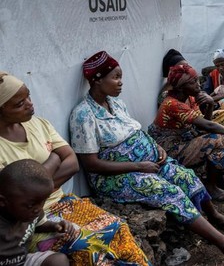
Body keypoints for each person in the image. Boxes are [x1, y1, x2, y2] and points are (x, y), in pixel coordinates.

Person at [69, 51, 224, 261]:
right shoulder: (83, 115)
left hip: (147, 161)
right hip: (115, 177)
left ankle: (213, 216)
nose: (121, 83)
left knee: (186, 176)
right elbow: (91, 164)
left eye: (121, 76)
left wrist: (156, 148)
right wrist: (139, 166)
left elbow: (136, 132)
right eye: (115, 77)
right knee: (169, 192)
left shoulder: (117, 104)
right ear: (96, 80)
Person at [0, 71, 151, 265]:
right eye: (19, 104)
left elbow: (72, 163)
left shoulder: (38, 124)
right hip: (30, 220)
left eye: (28, 95)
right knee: (87, 248)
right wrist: (54, 158)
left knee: (118, 227)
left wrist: (35, 187)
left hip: (63, 202)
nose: (30, 103)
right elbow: (18, 197)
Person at [149, 64, 224, 201]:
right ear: (180, 86)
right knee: (217, 140)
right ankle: (211, 186)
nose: (198, 85)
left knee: (219, 137)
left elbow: (204, 125)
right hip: (169, 150)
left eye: (197, 80)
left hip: (184, 140)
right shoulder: (172, 103)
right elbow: (208, 125)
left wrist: (210, 105)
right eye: (193, 82)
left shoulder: (190, 98)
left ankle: (219, 179)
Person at [0, 159, 72, 266]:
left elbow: (39, 224)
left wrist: (55, 226)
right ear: (2, 202)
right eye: (31, 204)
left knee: (59, 260)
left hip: (23, 261)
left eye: (43, 201)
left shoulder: (30, 212)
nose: (37, 209)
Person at [158, 49, 217, 117]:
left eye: (187, 66)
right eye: (181, 68)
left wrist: (210, 104)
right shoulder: (167, 97)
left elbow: (201, 120)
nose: (186, 69)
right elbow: (205, 124)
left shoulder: (189, 92)